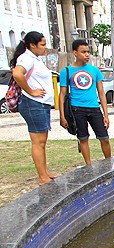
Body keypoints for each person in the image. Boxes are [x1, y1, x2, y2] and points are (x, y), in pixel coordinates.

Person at [11, 31, 57, 185]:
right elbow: (18, 74)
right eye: (42, 44)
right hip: (33, 104)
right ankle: (42, 177)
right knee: (38, 141)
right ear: (32, 45)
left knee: (42, 141)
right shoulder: (26, 58)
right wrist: (31, 91)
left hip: (40, 104)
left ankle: (44, 172)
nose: (45, 48)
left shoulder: (34, 59)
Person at [59, 39, 111, 165]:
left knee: (104, 138)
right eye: (83, 52)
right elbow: (62, 94)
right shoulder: (66, 71)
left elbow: (101, 93)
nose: (87, 55)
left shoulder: (95, 70)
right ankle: (88, 165)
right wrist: (62, 116)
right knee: (83, 138)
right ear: (75, 53)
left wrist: (106, 114)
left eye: (88, 52)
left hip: (94, 108)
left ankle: (109, 163)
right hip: (77, 109)